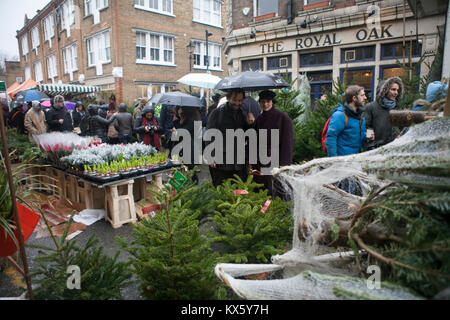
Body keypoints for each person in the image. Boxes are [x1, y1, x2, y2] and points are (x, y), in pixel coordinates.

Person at [251, 90, 294, 198]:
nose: (265, 104)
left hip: (276, 162)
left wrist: (284, 165)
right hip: (260, 162)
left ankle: (276, 213)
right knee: (262, 190)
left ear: (272, 102)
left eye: (268, 101)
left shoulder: (283, 118)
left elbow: (287, 144)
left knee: (276, 191)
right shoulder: (258, 119)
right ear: (259, 103)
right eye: (262, 102)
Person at [206, 89, 252, 187]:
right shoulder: (217, 113)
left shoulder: (243, 114)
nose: (237, 103)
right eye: (234, 100)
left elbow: (246, 135)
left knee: (237, 192)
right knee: (221, 190)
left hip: (237, 163)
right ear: (228, 98)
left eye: (240, 100)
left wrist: (249, 124)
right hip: (221, 162)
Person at [326, 85, 367, 157]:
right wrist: (333, 161)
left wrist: (367, 137)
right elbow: (331, 138)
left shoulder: (360, 115)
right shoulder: (340, 115)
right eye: (362, 95)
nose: (365, 98)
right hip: (342, 161)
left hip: (355, 159)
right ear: (354, 98)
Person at [364, 77, 403, 150]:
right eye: (393, 89)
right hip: (376, 149)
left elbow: (401, 127)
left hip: (394, 148)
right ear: (385, 91)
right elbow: (366, 126)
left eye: (397, 90)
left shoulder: (397, 107)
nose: (396, 93)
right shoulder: (371, 107)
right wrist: (370, 140)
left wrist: (400, 135)